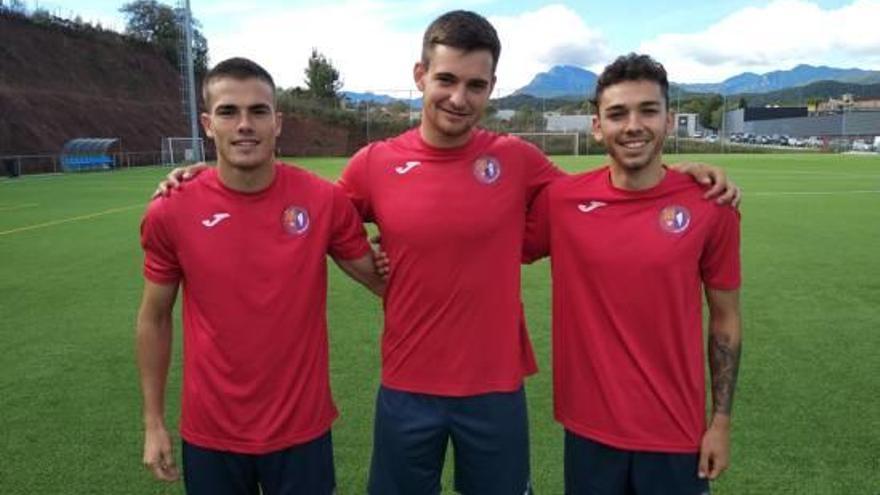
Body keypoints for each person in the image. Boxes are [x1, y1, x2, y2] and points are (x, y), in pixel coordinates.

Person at [156, 12, 739, 494]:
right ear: (420, 75)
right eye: (447, 80)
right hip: (406, 387)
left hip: (495, 389)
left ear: (492, 87)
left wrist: (684, 175)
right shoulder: (375, 164)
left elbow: (608, 190)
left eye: (476, 85)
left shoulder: (515, 159)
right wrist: (202, 178)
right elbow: (298, 212)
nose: (460, 97)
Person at [136, 57, 384, 495]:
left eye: (258, 111)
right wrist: (153, 422)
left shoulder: (322, 200)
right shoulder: (171, 210)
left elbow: (382, 280)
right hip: (211, 433)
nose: (245, 124)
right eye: (229, 112)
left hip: (302, 431)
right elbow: (154, 318)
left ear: (278, 122)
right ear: (209, 124)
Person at [523, 53, 742, 494]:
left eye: (648, 110)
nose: (633, 125)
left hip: (676, 432)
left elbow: (726, 321)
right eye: (618, 113)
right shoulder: (562, 201)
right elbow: (488, 245)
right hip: (589, 430)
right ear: (597, 126)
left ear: (669, 119)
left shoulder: (710, 205)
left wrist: (720, 422)